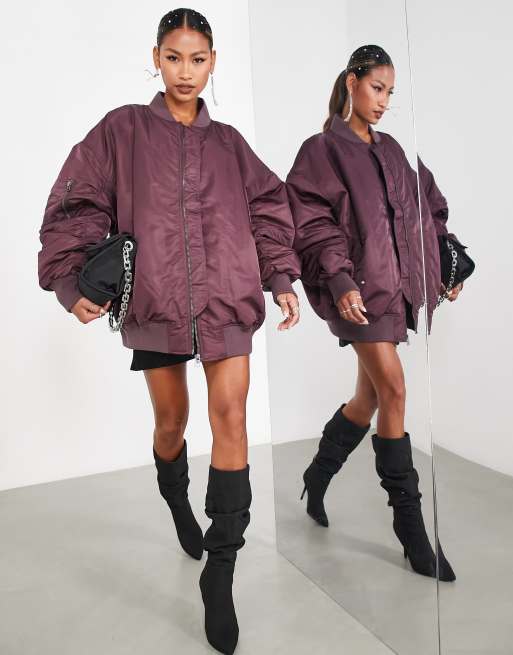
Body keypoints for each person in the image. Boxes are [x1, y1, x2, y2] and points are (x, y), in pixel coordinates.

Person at [37, 8, 301, 654]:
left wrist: (281, 277)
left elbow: (270, 209)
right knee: (171, 423)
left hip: (227, 298)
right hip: (155, 301)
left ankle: (221, 567)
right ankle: (178, 501)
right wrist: (72, 282)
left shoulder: (230, 143)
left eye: (198, 59)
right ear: (155, 58)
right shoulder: (123, 129)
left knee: (231, 417)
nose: (186, 72)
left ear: (213, 63)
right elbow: (76, 201)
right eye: (174, 57)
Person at [286, 45, 464, 582]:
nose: (384, 101)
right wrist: (340, 280)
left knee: (368, 398)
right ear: (352, 82)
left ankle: (316, 478)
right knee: (396, 391)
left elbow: (429, 208)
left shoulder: (393, 151)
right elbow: (311, 222)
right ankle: (411, 530)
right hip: (357, 294)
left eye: (390, 92)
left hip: (395, 291)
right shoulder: (322, 150)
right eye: (376, 88)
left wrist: (448, 263)